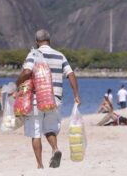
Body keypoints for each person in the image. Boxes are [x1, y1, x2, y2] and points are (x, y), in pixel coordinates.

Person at [16, 29, 81, 169]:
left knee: (36, 131)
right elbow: (70, 74)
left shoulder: (33, 54)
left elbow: (27, 72)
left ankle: (40, 165)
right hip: (55, 98)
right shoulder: (60, 55)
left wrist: (18, 82)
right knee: (50, 128)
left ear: (37, 41)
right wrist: (76, 95)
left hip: (35, 98)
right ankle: (55, 149)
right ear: (49, 40)